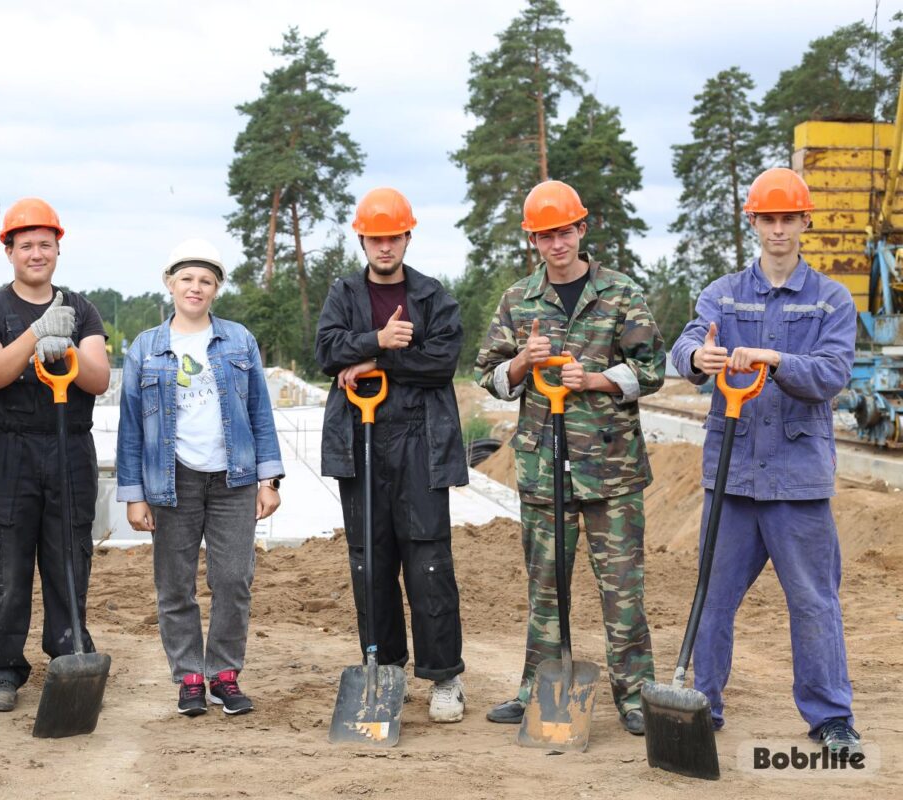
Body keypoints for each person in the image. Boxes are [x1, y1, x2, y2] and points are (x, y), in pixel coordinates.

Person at [670, 168, 861, 754]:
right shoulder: (722, 294)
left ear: (805, 222)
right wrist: (697, 357)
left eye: (788, 218)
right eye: (767, 218)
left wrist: (776, 358)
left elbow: (832, 373)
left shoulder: (831, 299)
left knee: (813, 602)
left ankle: (830, 715)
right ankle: (703, 703)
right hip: (730, 476)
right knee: (712, 596)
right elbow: (683, 346)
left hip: (797, 479)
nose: (778, 229)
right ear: (752, 222)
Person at [475, 180, 664, 736]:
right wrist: (521, 365)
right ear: (532, 239)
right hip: (543, 466)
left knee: (623, 588)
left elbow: (652, 369)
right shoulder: (518, 300)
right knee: (546, 587)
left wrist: (600, 379)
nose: (555, 244)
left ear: (582, 229)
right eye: (544, 235)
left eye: (564, 231)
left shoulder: (621, 292)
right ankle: (539, 688)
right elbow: (487, 374)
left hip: (613, 469)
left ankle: (634, 696)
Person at [314, 187, 469, 723]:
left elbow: (442, 361)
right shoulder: (343, 294)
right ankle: (385, 668)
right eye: (375, 238)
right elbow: (325, 352)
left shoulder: (431, 296)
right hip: (360, 445)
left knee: (429, 562)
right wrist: (378, 339)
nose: (385, 247)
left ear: (407, 236)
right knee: (370, 561)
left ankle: (444, 676)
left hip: (421, 444)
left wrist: (373, 362)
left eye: (393, 237)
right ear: (362, 239)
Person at [117, 238, 283, 717]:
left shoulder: (238, 340)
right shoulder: (146, 348)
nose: (195, 287)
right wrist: (134, 495)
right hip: (172, 480)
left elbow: (259, 411)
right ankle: (190, 677)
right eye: (186, 278)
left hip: (234, 478)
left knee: (233, 579)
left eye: (205, 281)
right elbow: (131, 426)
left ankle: (224, 675)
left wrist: (269, 479)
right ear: (170, 284)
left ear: (216, 289)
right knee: (175, 583)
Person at [0, 198, 111, 712]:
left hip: (68, 445)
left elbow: (98, 377)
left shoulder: (83, 308)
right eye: (25, 244)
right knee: (5, 561)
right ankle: (3, 669)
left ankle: (69, 654)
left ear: (58, 249)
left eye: (45, 244)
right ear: (9, 251)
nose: (36, 253)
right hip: (7, 448)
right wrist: (37, 332)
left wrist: (67, 349)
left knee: (69, 556)